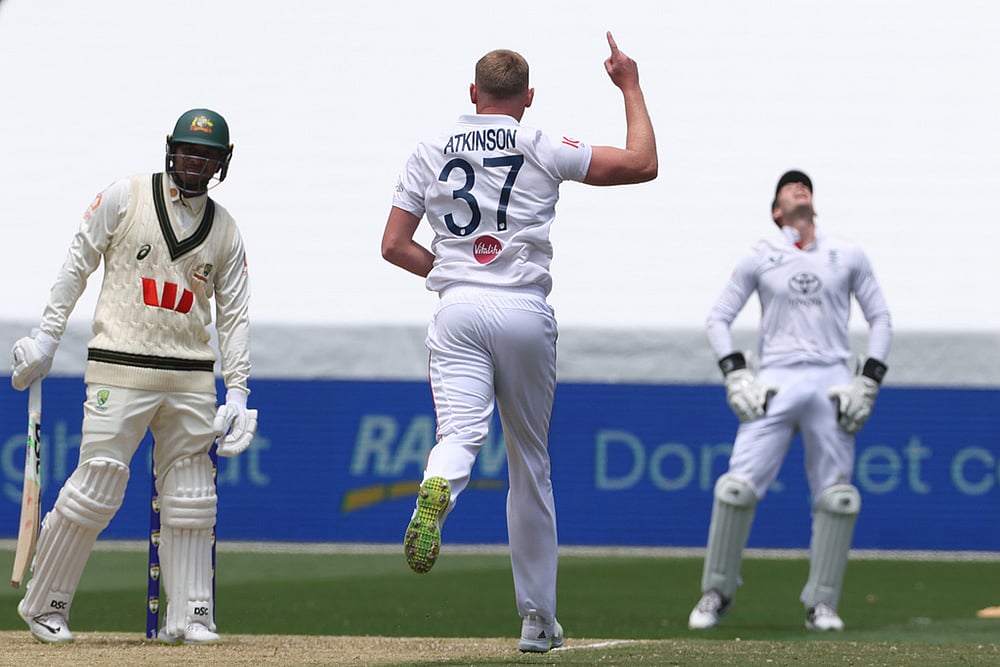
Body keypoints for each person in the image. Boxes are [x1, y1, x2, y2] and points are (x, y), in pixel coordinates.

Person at [381, 32, 657, 652]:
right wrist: (630, 85)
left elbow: (394, 246)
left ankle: (439, 486)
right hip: (524, 309)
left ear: (473, 94)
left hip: (457, 309)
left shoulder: (429, 151)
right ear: (528, 98)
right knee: (530, 466)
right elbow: (642, 164)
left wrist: (455, 275)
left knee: (459, 435)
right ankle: (537, 622)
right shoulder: (541, 143)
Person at [10, 108, 258, 645]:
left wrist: (237, 390)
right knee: (96, 484)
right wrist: (48, 337)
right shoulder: (124, 196)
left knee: (192, 495)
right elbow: (78, 261)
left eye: (208, 155)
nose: (196, 161)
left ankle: (190, 614)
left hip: (191, 377)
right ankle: (46, 603)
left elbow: (234, 316)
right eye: (190, 151)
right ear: (171, 150)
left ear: (222, 162)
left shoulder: (227, 230)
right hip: (120, 367)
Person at [688, 170, 892, 632]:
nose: (799, 187)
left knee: (838, 498)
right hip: (775, 379)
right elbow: (718, 318)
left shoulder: (848, 254)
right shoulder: (762, 255)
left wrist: (869, 381)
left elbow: (880, 318)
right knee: (735, 489)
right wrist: (736, 373)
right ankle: (716, 592)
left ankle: (822, 603)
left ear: (813, 203)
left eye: (805, 185)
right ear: (777, 210)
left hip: (833, 383)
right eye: (788, 187)